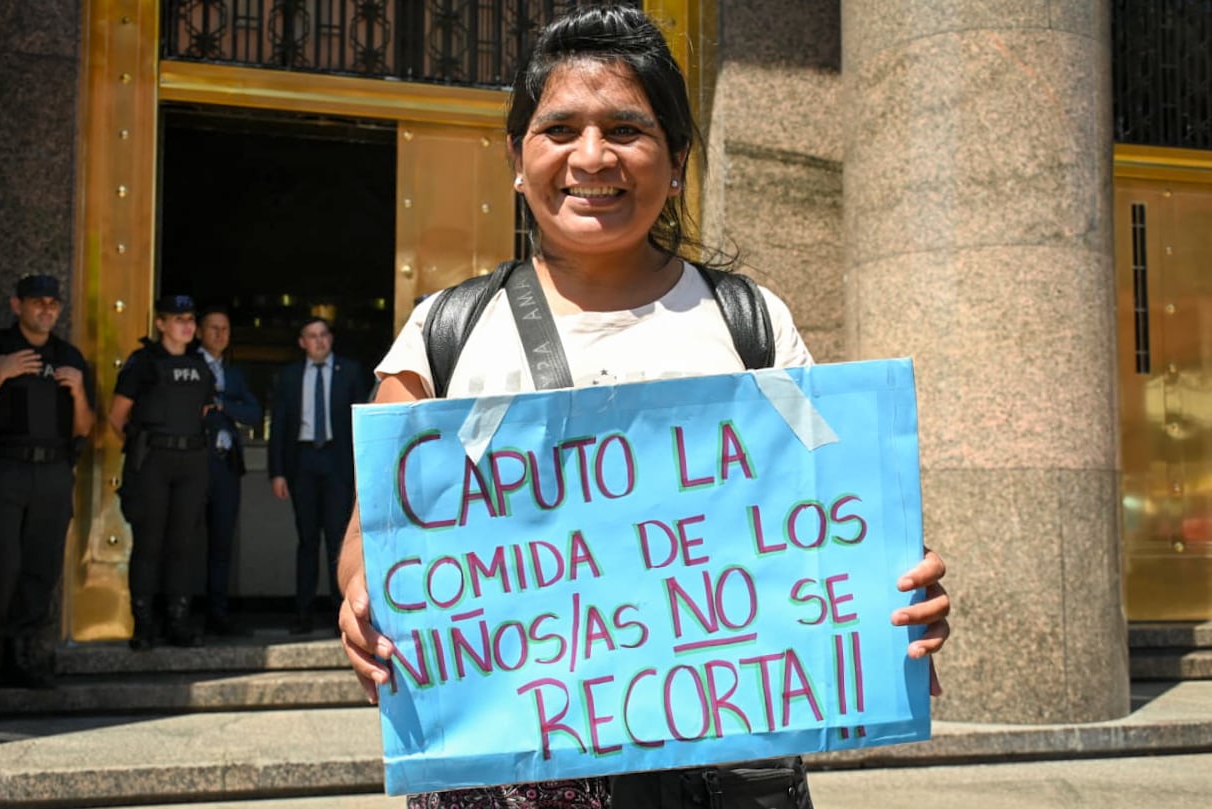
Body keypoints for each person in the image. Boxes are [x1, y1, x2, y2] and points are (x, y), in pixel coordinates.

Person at [337, 5, 951, 808]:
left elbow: (835, 519)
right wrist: (365, 600)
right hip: (507, 767)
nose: (592, 156)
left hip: (725, 773)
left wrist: (897, 591)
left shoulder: (752, 324)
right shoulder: (446, 333)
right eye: (560, 129)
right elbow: (371, 539)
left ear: (677, 158)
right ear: (519, 160)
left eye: (626, 129)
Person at [0, 274, 95, 689]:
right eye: (38, 302)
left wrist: (77, 394)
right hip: (6, 469)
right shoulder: (0, 348)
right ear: (17, 305)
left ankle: (23, 657)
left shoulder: (68, 356)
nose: (47, 310)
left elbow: (84, 428)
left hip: (53, 472)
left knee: (41, 568)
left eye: (53, 304)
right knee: (3, 566)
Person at [109, 293, 214, 650]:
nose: (187, 325)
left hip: (191, 462)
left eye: (190, 320)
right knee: (149, 544)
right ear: (160, 324)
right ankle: (144, 624)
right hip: (152, 463)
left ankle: (178, 621)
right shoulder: (143, 363)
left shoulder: (201, 366)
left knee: (183, 545)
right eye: (178, 319)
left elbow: (203, 412)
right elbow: (117, 418)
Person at [268, 317, 368, 635]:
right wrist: (277, 472)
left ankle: (341, 611)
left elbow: (362, 422)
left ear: (331, 338)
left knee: (339, 540)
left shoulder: (350, 372)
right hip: (303, 461)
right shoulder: (290, 376)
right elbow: (279, 426)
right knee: (307, 539)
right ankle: (303, 612)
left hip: (339, 462)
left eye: (324, 335)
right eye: (312, 336)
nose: (319, 341)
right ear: (302, 342)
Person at [196, 305, 262, 636]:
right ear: (198, 332)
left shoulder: (233, 374)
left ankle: (217, 614)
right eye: (213, 328)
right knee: (184, 542)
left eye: (225, 329)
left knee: (222, 543)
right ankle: (175, 614)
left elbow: (253, 413)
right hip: (192, 464)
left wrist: (222, 405)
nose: (221, 335)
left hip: (225, 465)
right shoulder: (190, 365)